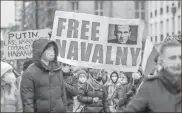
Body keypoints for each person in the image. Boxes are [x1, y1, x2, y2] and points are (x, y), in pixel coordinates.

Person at [123, 41, 181, 112]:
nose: (178, 62)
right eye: (173, 58)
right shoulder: (150, 86)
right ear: (162, 62)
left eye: (180, 57)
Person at [20, 39, 67, 112]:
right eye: (49, 49)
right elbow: (28, 102)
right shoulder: (29, 72)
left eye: (53, 49)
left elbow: (63, 96)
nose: (52, 52)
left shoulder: (57, 70)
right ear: (40, 52)